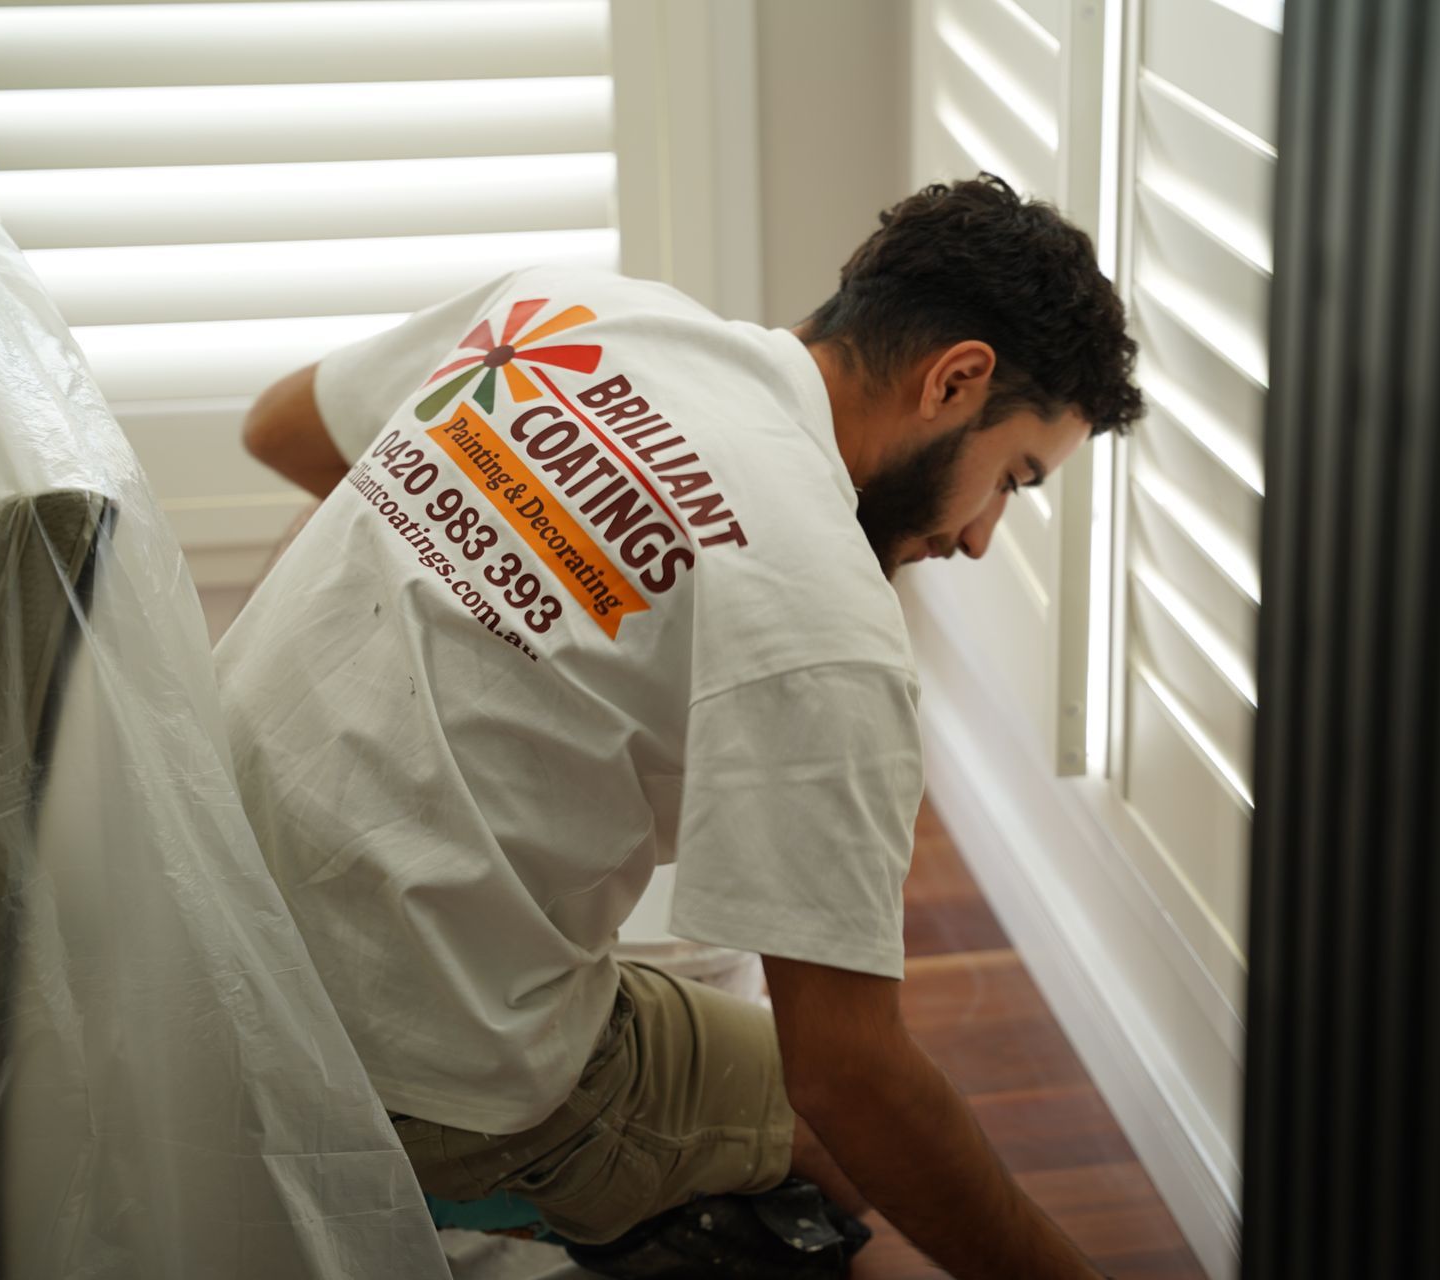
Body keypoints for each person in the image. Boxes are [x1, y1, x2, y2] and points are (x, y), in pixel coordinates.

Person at [221, 174, 1142, 1278]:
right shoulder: (824, 617)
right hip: (409, 1070)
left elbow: (282, 427)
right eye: (1013, 478)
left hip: (201, 907)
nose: (983, 535)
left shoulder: (566, 308)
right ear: (956, 380)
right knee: (832, 1143)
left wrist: (484, 570)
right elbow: (851, 1078)